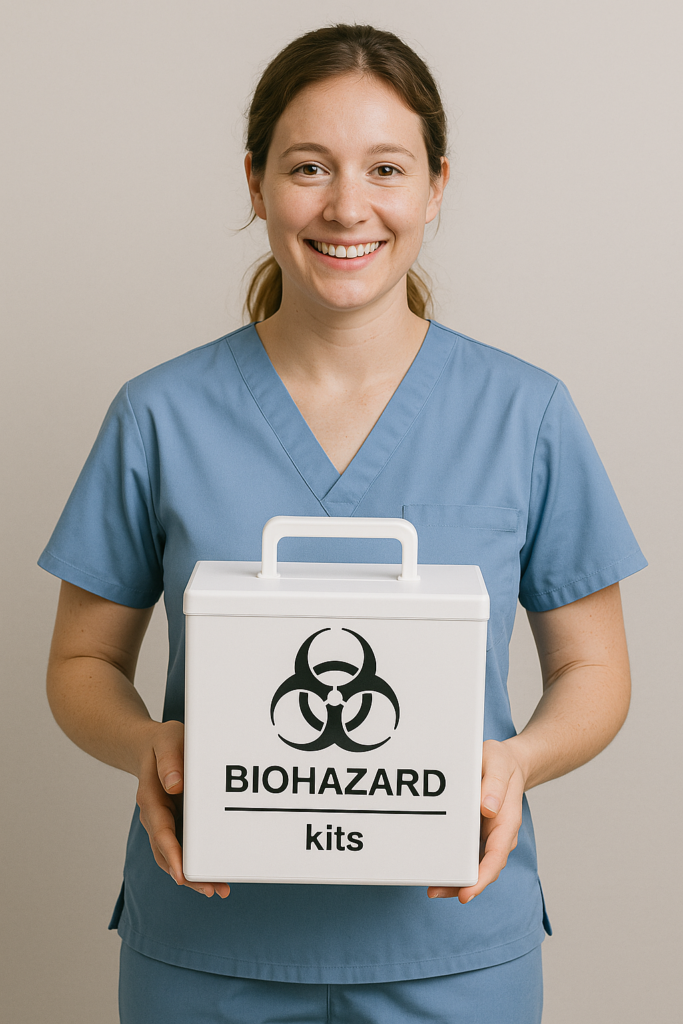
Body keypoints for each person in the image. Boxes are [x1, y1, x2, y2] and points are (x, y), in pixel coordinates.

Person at [40, 23, 646, 1024]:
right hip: (208, 944)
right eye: (308, 167)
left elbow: (594, 670)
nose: (346, 206)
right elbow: (79, 666)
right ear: (255, 181)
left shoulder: (523, 412)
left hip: (449, 945)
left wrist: (518, 759)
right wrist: (150, 742)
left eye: (385, 168)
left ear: (435, 186)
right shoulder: (159, 414)